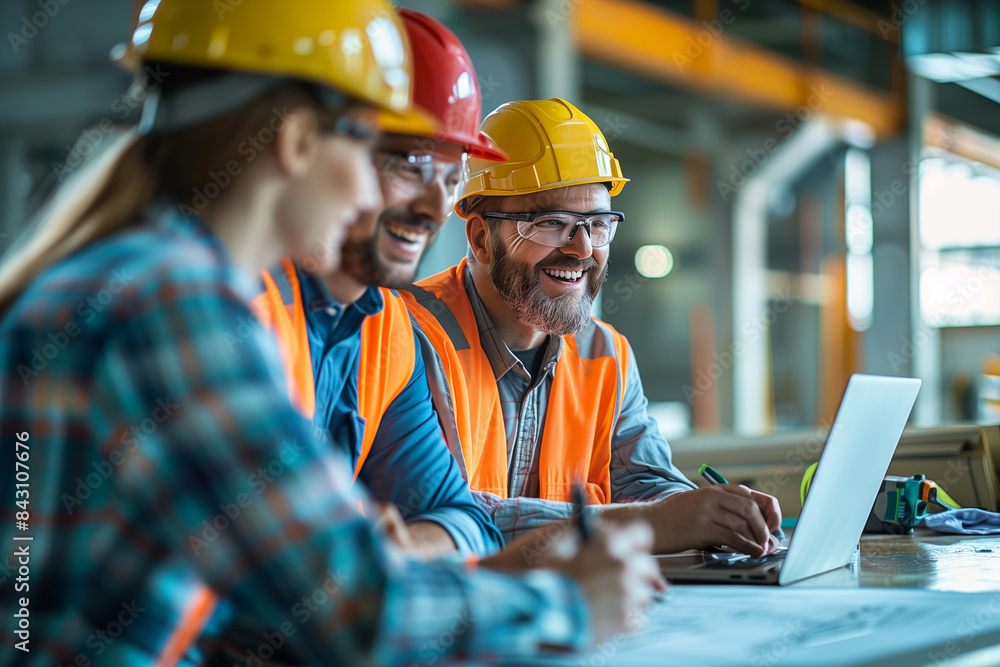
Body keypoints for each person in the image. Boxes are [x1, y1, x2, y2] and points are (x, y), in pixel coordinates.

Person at [0, 4, 662, 665]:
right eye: (367, 144)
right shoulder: (173, 307)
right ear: (295, 142)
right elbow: (346, 613)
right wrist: (567, 603)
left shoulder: (139, 276)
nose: (369, 192)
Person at [402, 98, 783, 557]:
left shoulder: (606, 353)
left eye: (597, 224)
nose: (582, 250)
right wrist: (654, 524)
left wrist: (706, 512)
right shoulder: (411, 336)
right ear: (483, 239)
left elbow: (642, 482)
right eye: (550, 223)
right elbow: (444, 521)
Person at [252, 9, 507, 560]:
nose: (439, 207)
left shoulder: (387, 330)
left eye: (452, 176)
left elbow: (467, 522)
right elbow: (275, 574)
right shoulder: (242, 305)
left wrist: (400, 551)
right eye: (411, 165)